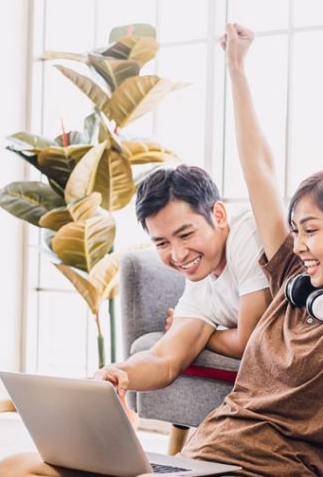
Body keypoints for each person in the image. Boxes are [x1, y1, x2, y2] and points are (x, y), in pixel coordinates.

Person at [0, 22, 323, 477]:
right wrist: (236, 69)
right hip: (198, 467)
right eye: (294, 229)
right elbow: (260, 170)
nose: (298, 243)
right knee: (13, 471)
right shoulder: (287, 289)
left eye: (312, 230)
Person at [94, 164, 271, 425]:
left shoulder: (247, 234)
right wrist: (117, 372)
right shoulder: (200, 284)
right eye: (162, 243)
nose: (178, 255)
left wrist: (208, 336)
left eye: (186, 234)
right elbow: (163, 359)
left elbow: (252, 342)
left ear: (219, 215)